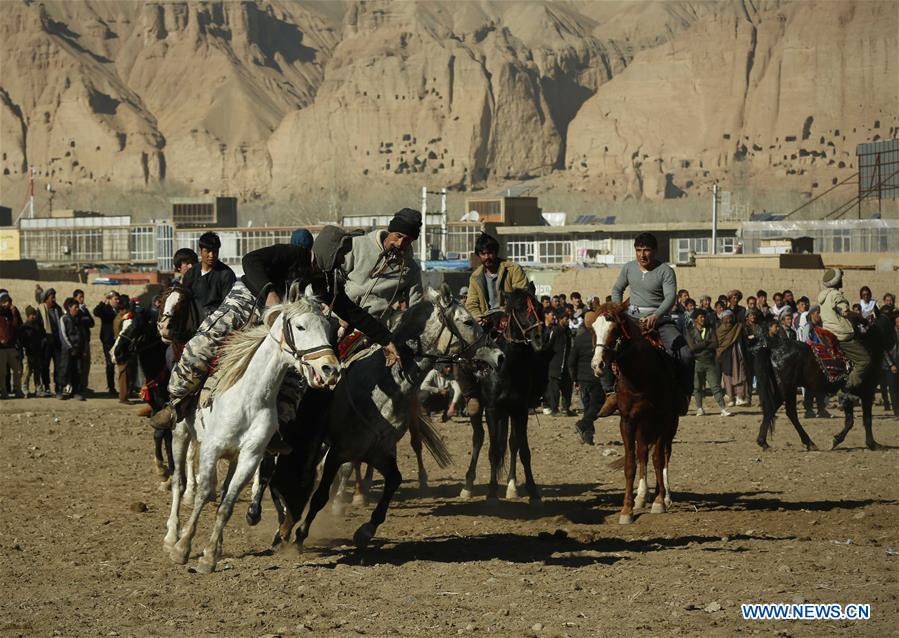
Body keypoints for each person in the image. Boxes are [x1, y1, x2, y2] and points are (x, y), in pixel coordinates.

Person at [152, 225, 402, 431]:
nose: (340, 260)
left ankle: (274, 430)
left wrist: (385, 339)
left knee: (296, 376)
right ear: (328, 249)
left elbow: (350, 311)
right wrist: (269, 292)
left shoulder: (323, 281)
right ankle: (176, 404)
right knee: (203, 343)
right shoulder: (293, 254)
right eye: (339, 254)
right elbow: (250, 260)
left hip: (275, 324)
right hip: (246, 301)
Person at [604, 232, 694, 416]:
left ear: (654, 251)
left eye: (646, 250)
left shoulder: (665, 270)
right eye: (638, 250)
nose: (642, 255)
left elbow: (670, 297)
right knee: (604, 348)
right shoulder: (628, 268)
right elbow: (617, 289)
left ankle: (683, 395)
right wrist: (617, 309)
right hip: (632, 321)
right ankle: (610, 394)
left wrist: (656, 315)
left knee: (685, 354)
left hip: (660, 323)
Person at [462, 231, 530, 417]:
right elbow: (471, 303)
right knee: (461, 354)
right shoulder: (475, 277)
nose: (487, 257)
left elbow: (521, 295)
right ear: (479, 255)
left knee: (536, 350)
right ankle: (471, 395)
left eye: (490, 253)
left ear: (495, 252)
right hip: (486, 324)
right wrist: (479, 316)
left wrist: (504, 313)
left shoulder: (512, 269)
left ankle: (535, 390)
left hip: (512, 320)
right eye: (483, 254)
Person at [343, 208, 424, 328]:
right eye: (398, 236)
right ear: (390, 231)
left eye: (407, 240)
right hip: (341, 315)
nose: (400, 243)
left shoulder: (411, 269)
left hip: (374, 326)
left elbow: (416, 306)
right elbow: (335, 276)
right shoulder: (358, 245)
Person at [818, 268, 869, 404]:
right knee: (864, 361)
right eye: (841, 278)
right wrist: (860, 317)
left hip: (829, 332)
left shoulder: (823, 296)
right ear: (837, 281)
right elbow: (846, 312)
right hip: (841, 335)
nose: (842, 280)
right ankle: (846, 391)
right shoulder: (836, 295)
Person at [569, 311, 606, 445]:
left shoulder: (579, 338)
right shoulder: (600, 339)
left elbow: (572, 361)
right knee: (597, 405)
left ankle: (588, 437)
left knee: (588, 408)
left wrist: (575, 380)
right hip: (596, 378)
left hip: (582, 379)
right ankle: (582, 424)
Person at [181, 232, 237, 319]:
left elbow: (228, 306)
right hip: (192, 323)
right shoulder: (190, 274)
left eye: (215, 251)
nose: (211, 255)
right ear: (200, 251)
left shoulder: (226, 274)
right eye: (207, 251)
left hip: (216, 323)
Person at [687, 309, 731, 417]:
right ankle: (699, 408)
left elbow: (715, 344)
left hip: (709, 362)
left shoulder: (710, 329)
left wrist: (700, 345)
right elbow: (692, 347)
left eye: (704, 317)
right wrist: (706, 343)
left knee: (715, 386)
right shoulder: (690, 331)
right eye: (701, 317)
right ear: (695, 319)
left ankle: (723, 408)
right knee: (697, 387)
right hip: (697, 362)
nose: (703, 319)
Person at [543, 309, 574, 417]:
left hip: (566, 365)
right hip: (555, 365)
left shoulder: (568, 331)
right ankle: (554, 409)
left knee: (567, 388)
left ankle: (566, 408)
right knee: (554, 389)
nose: (568, 321)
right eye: (566, 319)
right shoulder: (555, 331)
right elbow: (549, 347)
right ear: (560, 319)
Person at [716, 310, 748, 407]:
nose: (729, 320)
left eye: (730, 317)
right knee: (727, 375)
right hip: (725, 354)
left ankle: (739, 397)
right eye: (726, 318)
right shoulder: (719, 330)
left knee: (739, 373)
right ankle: (730, 397)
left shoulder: (738, 327)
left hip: (737, 353)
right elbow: (718, 343)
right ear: (722, 319)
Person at [58, 297, 86, 400]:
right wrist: (70, 348)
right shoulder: (64, 319)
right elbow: (63, 335)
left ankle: (76, 392)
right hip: (68, 350)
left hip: (78, 349)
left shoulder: (79, 319)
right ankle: (62, 391)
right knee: (65, 370)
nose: (77, 309)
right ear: (69, 307)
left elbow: (82, 334)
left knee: (78, 371)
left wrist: (82, 348)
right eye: (75, 307)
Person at [37, 288, 62, 395]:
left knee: (58, 365)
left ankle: (58, 386)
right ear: (46, 299)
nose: (54, 299)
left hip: (57, 341)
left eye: (54, 297)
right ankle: (46, 386)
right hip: (46, 342)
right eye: (52, 297)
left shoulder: (58, 309)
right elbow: (38, 326)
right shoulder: (41, 310)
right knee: (45, 365)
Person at [93, 291, 119, 395]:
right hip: (108, 340)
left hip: (118, 340)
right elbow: (96, 312)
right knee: (110, 364)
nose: (117, 301)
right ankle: (111, 387)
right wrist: (103, 301)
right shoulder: (105, 309)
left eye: (118, 299)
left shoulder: (119, 310)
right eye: (115, 299)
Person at [0, 291, 23, 399]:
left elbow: (16, 327)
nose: (8, 304)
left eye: (9, 301)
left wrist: (14, 313)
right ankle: (3, 390)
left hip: (12, 346)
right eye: (6, 302)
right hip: (1, 348)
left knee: (17, 369)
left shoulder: (12, 313)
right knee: (2, 371)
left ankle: (17, 389)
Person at [18, 305, 44, 397]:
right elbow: (21, 341)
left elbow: (41, 337)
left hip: (37, 352)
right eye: (32, 315)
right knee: (27, 371)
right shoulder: (24, 327)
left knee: (37, 371)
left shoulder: (37, 326)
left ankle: (38, 389)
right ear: (28, 315)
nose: (34, 316)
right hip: (28, 353)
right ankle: (24, 389)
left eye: (34, 314)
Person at [72, 289, 95, 393]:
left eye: (83, 297)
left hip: (86, 341)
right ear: (75, 298)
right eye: (80, 297)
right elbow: (77, 322)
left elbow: (91, 323)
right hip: (78, 342)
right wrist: (83, 317)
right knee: (78, 365)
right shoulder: (74, 310)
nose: (82, 299)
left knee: (86, 364)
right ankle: (78, 387)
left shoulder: (84, 309)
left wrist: (85, 314)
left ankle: (84, 386)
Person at [879, 311, 899, 416]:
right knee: (893, 389)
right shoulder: (890, 334)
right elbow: (885, 350)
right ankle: (897, 412)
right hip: (892, 364)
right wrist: (891, 364)